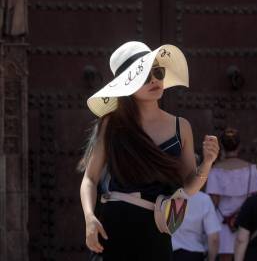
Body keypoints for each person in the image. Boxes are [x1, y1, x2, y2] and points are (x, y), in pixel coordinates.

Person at [78, 41, 220, 260]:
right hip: (116, 224)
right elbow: (90, 178)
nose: (154, 79)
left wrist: (208, 163)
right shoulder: (111, 124)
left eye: (158, 72)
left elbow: (188, 189)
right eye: (144, 75)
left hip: (157, 227)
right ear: (127, 84)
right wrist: (89, 218)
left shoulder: (181, 127)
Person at [206, 128, 257, 261]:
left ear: (222, 147)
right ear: (239, 146)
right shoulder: (251, 169)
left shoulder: (215, 171)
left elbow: (214, 203)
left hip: (223, 224)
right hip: (246, 223)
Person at [171, 190, 220, 261]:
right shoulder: (203, 199)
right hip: (193, 254)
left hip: (168, 253)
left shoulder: (162, 197)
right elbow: (214, 238)